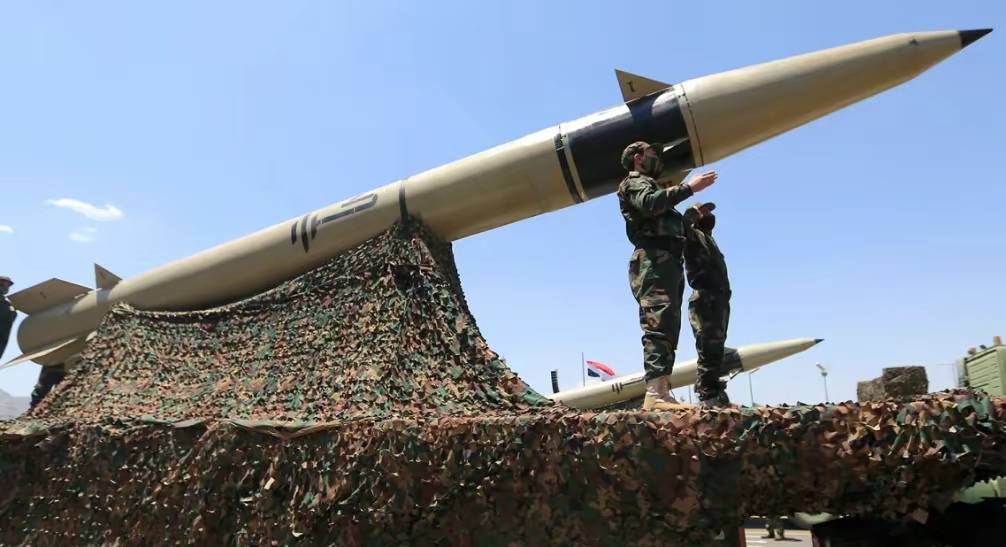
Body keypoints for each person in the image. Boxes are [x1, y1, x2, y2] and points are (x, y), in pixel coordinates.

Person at [616, 141, 717, 410]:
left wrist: (691, 215)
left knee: (668, 326)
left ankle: (660, 390)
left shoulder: (651, 186)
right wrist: (689, 187)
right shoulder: (634, 182)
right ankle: (655, 394)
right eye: (653, 154)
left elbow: (667, 222)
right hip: (653, 260)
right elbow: (649, 204)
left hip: (667, 260)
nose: (658, 160)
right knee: (658, 323)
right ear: (638, 158)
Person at [683, 202, 732, 408]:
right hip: (705, 297)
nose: (709, 215)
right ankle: (707, 394)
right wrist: (690, 214)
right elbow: (681, 227)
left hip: (719, 298)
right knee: (708, 346)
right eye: (704, 211)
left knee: (716, 346)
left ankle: (713, 389)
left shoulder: (708, 239)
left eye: (710, 211)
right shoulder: (692, 235)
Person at [0, 276, 15, 357]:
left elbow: (11, 315)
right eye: (2, 285)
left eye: (8, 286)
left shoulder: (8, 304)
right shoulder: (6, 304)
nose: (6, 287)